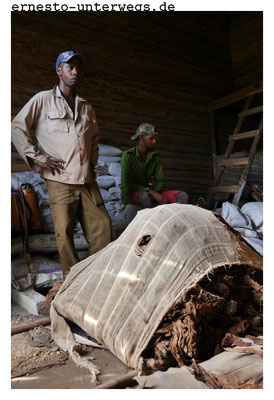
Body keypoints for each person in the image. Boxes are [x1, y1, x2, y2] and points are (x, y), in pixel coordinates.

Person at [11, 50, 111, 278]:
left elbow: (93, 140)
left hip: (86, 179)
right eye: (69, 67)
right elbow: (16, 127)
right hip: (60, 179)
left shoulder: (86, 107)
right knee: (64, 234)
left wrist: (92, 165)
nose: (75, 72)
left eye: (77, 68)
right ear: (59, 71)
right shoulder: (42, 100)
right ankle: (72, 280)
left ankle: (94, 275)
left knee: (103, 227)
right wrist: (37, 157)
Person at [120, 123, 189, 208]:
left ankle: (173, 220)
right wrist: (151, 192)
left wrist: (156, 193)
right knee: (144, 197)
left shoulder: (155, 156)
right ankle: (153, 220)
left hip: (149, 192)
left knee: (183, 196)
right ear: (141, 138)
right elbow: (128, 184)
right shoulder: (127, 156)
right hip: (130, 193)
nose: (154, 141)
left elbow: (160, 180)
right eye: (151, 138)